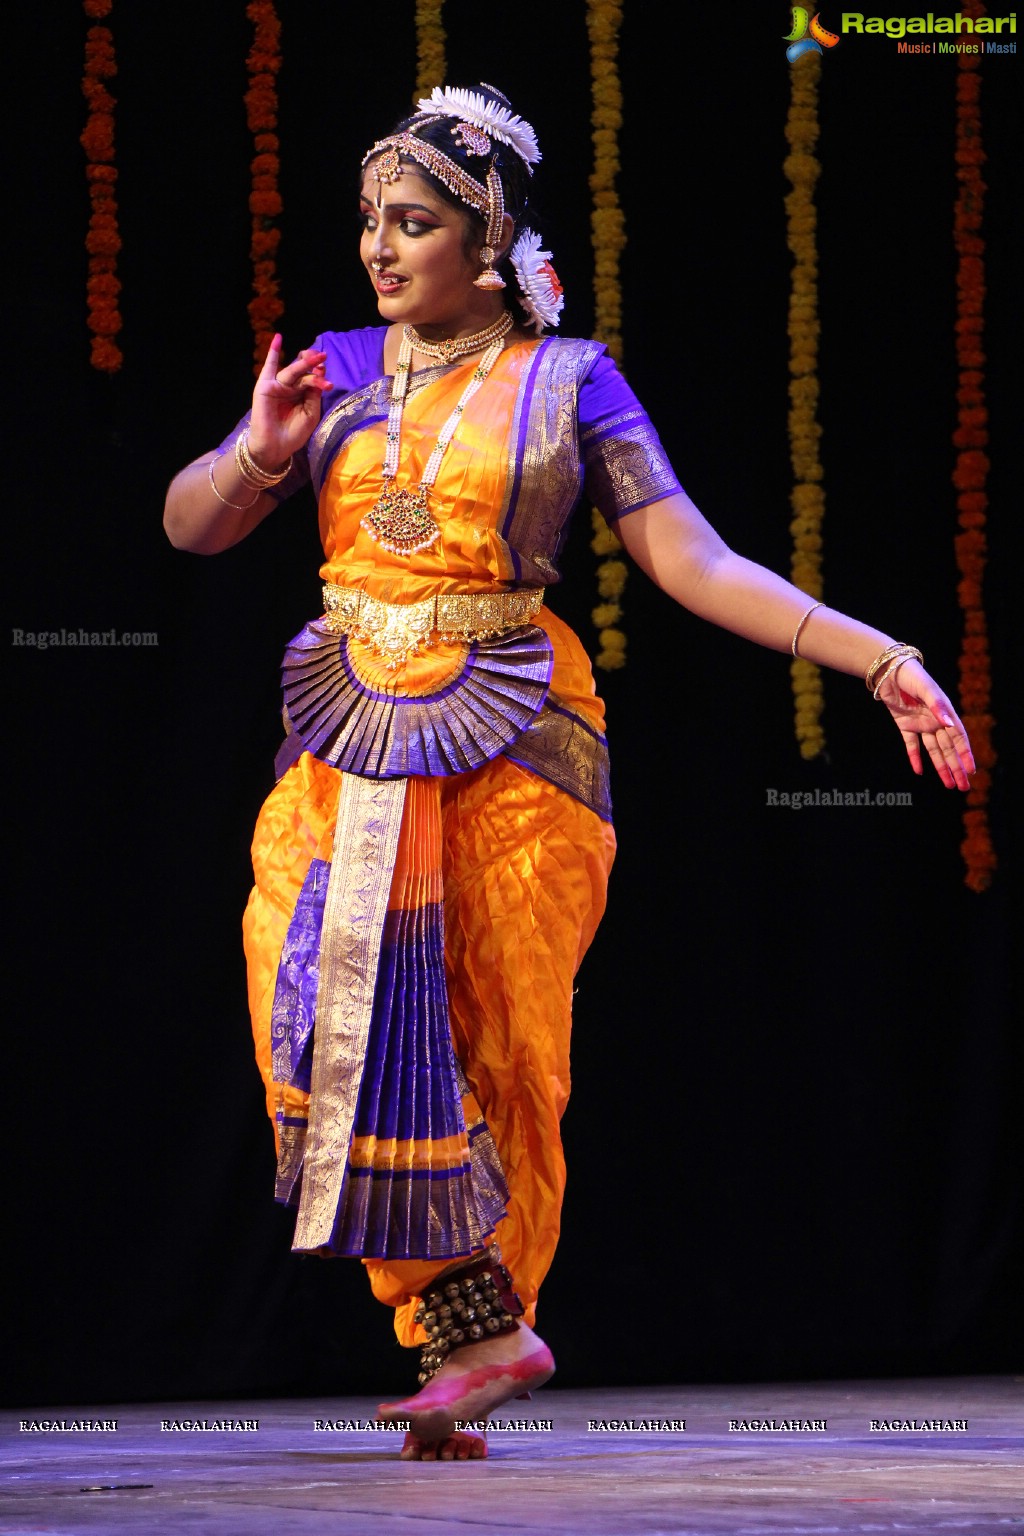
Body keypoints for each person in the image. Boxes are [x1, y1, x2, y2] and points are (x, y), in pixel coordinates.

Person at [164, 84, 975, 1461]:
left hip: (516, 744)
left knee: (494, 1043)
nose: (377, 247)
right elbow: (190, 530)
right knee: (310, 1019)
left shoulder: (569, 381)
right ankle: (460, 1333)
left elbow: (694, 562)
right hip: (345, 747)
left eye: (410, 223)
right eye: (369, 221)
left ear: (488, 244)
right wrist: (260, 452)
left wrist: (880, 655)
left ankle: (480, 1334)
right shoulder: (337, 372)